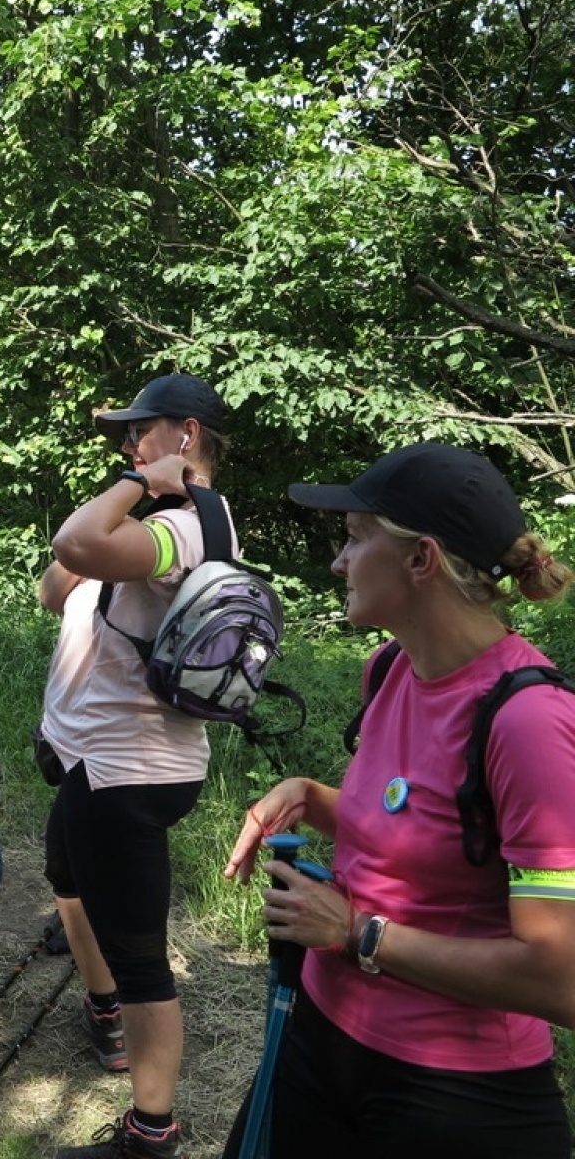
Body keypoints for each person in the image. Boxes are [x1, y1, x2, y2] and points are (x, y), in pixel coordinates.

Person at [219, 443, 575, 1159]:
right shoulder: (389, 669)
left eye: (355, 540)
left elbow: (559, 979)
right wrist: (311, 797)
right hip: (321, 1036)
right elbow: (416, 822)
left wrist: (360, 934)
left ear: (423, 561)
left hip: (451, 1093)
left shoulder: (529, 722)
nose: (338, 563)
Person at [38, 373, 231, 1159]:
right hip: (98, 761)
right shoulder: (155, 523)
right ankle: (103, 1005)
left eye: (138, 433)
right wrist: (133, 494)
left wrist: (132, 488)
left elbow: (70, 547)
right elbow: (57, 587)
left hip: (130, 772)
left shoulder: (185, 528)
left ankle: (152, 1130)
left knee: (142, 952)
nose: (126, 445)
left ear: (183, 434)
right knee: (65, 874)